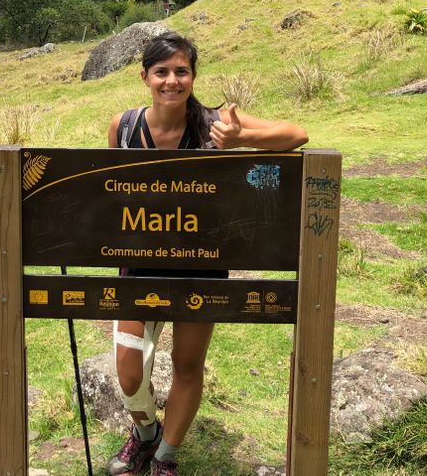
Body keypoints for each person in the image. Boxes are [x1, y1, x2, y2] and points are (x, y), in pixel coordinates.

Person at [104, 31, 309, 476]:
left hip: (203, 264)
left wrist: (238, 142)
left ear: (193, 76)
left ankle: (165, 456)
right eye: (162, 72)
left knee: (187, 365)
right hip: (139, 264)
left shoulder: (215, 121)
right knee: (128, 370)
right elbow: (114, 191)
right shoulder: (123, 127)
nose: (171, 81)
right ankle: (144, 435)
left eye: (182, 71)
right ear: (145, 77)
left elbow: (297, 134)